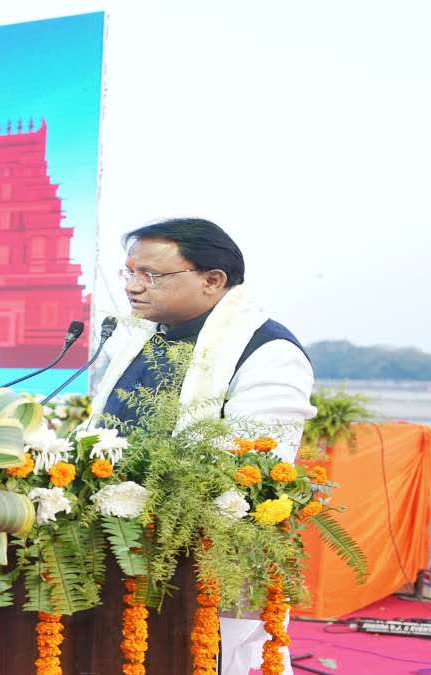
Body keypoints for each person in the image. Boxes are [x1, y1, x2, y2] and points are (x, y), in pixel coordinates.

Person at [86, 217, 315, 675]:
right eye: (129, 272)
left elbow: (253, 466)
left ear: (213, 280)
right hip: (111, 545)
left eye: (151, 275)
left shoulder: (266, 351)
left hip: (206, 556)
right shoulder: (133, 339)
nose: (133, 287)